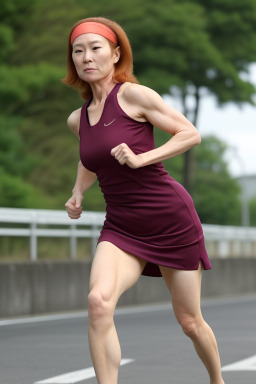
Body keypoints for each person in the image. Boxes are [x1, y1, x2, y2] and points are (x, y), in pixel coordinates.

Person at [63, 17, 225, 384]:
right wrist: (77, 192)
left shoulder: (134, 95)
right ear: (72, 60)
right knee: (97, 303)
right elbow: (92, 157)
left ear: (116, 53)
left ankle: (218, 380)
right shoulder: (78, 119)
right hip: (121, 226)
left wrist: (142, 158)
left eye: (95, 48)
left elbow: (190, 133)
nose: (86, 57)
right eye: (78, 51)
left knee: (189, 321)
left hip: (169, 218)